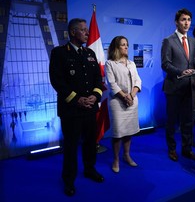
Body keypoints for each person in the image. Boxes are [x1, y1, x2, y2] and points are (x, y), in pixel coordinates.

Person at [49, 18, 104, 196]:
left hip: (89, 108)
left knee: (90, 143)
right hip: (71, 110)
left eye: (87, 30)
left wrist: (94, 97)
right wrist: (77, 99)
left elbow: (97, 79)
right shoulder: (59, 53)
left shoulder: (90, 53)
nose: (87, 33)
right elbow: (57, 81)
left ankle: (90, 170)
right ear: (73, 32)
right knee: (71, 147)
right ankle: (69, 180)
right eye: (83, 30)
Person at [161, 8, 195, 162]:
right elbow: (165, 64)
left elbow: (194, 61)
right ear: (177, 22)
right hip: (174, 87)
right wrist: (180, 72)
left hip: (190, 88)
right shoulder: (168, 41)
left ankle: (187, 149)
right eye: (183, 19)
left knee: (188, 121)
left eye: (189, 19)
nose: (186, 23)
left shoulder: (192, 41)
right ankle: (171, 149)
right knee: (172, 121)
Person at [105, 36, 141, 173]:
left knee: (129, 131)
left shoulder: (132, 63)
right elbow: (111, 83)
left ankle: (126, 155)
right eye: (123, 45)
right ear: (116, 48)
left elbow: (138, 81)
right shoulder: (110, 63)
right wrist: (124, 96)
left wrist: (131, 95)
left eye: (127, 44)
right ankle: (116, 159)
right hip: (117, 103)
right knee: (118, 132)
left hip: (132, 101)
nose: (126, 47)